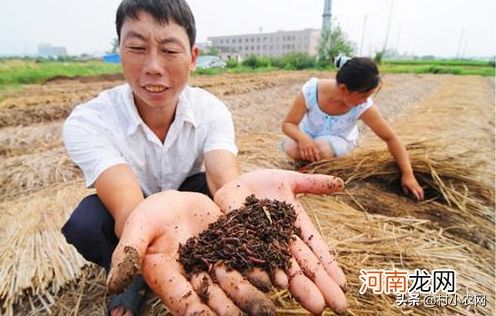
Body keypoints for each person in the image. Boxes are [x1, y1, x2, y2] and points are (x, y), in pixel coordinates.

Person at [61, 0, 239, 315]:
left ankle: (206, 260)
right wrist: (153, 239)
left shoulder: (211, 110)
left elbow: (225, 181)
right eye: (137, 48)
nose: (153, 66)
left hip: (187, 196)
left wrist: (247, 223)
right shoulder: (89, 121)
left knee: (221, 201)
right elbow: (127, 203)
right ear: (120, 51)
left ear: (193, 58)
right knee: (85, 224)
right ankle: (133, 276)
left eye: (170, 51)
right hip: (133, 204)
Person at [281, 55, 424, 201]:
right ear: (343, 89)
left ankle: (318, 166)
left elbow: (390, 137)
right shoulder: (312, 91)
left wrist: (408, 174)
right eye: (364, 95)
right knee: (290, 146)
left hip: (338, 141)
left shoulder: (363, 106)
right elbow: (288, 124)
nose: (366, 100)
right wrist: (303, 138)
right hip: (308, 135)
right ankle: (310, 163)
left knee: (321, 147)